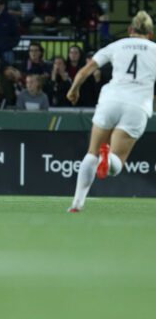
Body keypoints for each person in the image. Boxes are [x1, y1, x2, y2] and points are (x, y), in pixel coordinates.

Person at [67, 11, 156, 212]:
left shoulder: (117, 45)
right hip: (137, 105)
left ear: (130, 30)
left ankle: (77, 203)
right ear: (150, 34)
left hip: (111, 100)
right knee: (117, 163)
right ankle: (107, 158)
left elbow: (86, 70)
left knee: (91, 153)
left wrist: (74, 90)